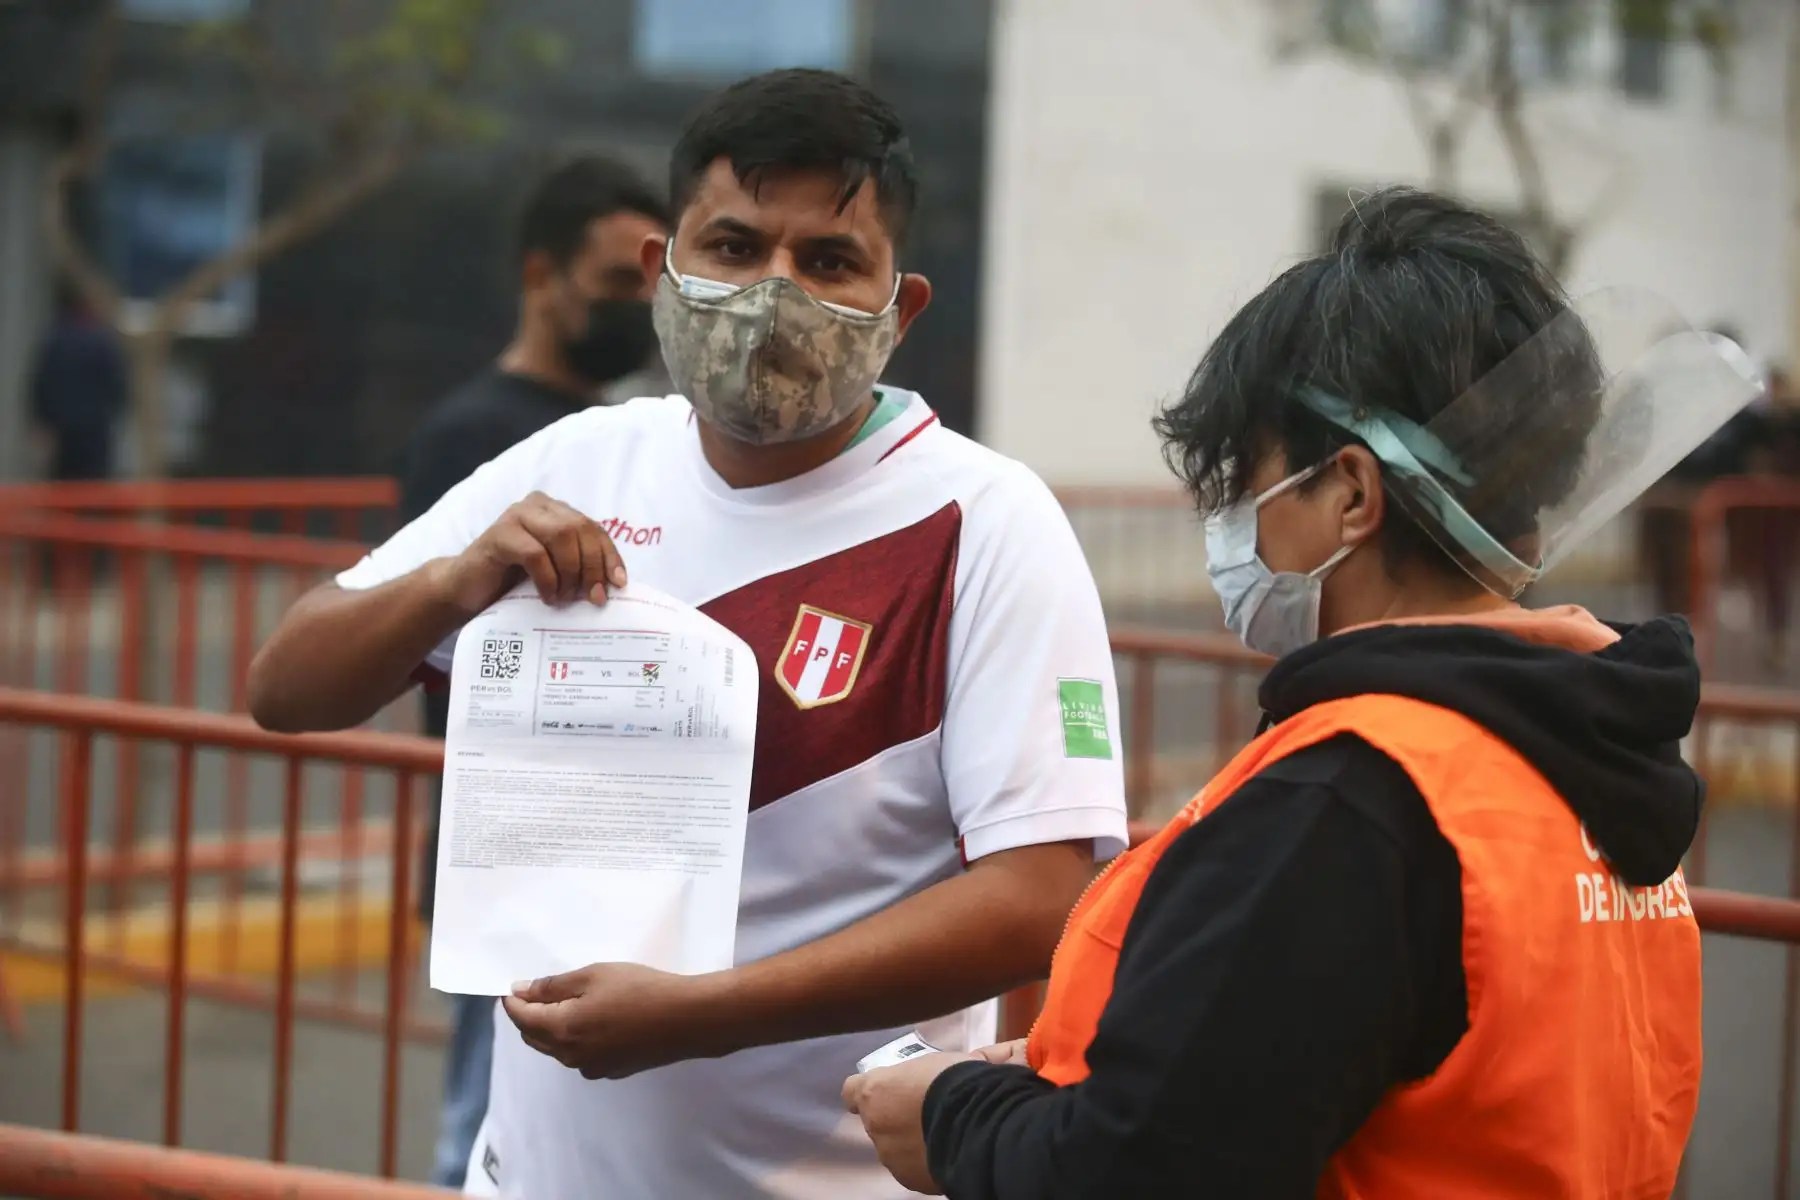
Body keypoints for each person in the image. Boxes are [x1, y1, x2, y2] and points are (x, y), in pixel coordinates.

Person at [247, 67, 1127, 1198]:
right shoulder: (576, 459)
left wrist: (702, 1018)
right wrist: (456, 584)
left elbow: (1039, 896)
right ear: (667, 266)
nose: (773, 292)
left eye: (827, 261)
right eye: (735, 245)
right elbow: (286, 686)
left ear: (899, 307)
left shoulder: (987, 523)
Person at [846, 188, 1715, 1197]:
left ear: (1349, 492)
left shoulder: (1349, 800)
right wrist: (1074, 1086)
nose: (1228, 527)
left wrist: (956, 1113)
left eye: (1244, 483)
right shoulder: (1585, 752)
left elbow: (1143, 1175)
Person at [395, 154, 670, 1189]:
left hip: (611, 865)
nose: (634, 312)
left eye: (651, 288)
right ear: (539, 275)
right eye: (612, 286)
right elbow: (444, 655)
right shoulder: (475, 437)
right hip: (507, 861)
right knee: (484, 1132)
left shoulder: (630, 440)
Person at [30, 286, 127, 482]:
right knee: (91, 487)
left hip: (64, 430)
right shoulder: (103, 343)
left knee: (64, 486)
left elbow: (41, 385)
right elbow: (117, 388)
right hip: (94, 430)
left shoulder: (56, 340)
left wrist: (41, 422)